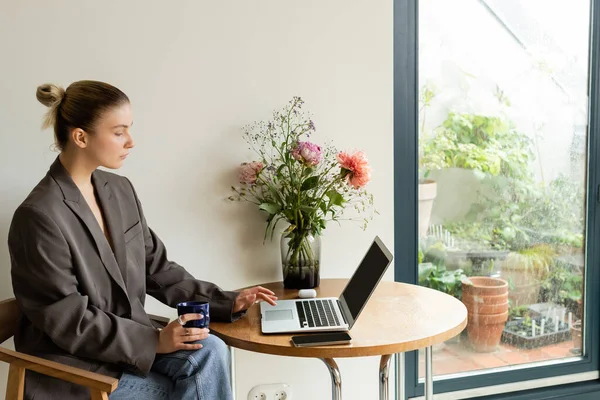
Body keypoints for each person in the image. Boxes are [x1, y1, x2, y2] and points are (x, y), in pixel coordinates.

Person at [8, 80, 278, 400]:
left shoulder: (119, 191)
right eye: (119, 131)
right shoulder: (39, 216)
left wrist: (226, 300)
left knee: (211, 350)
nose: (131, 142)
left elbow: (156, 267)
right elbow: (68, 319)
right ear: (80, 136)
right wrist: (154, 342)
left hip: (126, 346)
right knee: (178, 389)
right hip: (75, 368)